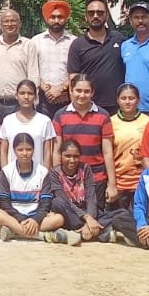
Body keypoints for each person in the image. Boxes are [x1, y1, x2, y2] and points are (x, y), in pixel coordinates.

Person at [52, 75, 118, 208]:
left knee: (94, 214)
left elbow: (107, 152)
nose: (82, 95)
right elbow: (57, 151)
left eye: (86, 91)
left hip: (96, 178)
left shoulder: (103, 116)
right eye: (78, 90)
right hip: (69, 180)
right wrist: (58, 179)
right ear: (71, 90)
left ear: (92, 93)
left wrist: (112, 184)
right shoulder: (60, 115)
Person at [51, 140, 135, 244]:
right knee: (57, 202)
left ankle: (84, 231)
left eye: (75, 156)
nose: (72, 160)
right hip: (70, 212)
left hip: (87, 211)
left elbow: (91, 199)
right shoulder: (55, 173)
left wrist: (89, 220)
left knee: (122, 213)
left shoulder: (85, 169)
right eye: (67, 156)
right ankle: (100, 232)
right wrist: (86, 218)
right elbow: (65, 201)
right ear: (61, 155)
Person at [0, 133, 70, 243]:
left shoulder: (42, 172)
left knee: (58, 219)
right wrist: (21, 219)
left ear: (33, 150)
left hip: (35, 215)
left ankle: (15, 232)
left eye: (28, 149)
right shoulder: (6, 171)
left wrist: (35, 220)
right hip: (14, 216)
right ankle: (41, 236)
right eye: (20, 150)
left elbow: (45, 202)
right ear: (14, 151)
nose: (25, 153)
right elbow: (3, 202)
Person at [67, 0, 126, 115]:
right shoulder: (77, 44)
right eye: (91, 13)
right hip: (89, 106)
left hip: (118, 105)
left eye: (100, 13)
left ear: (107, 16)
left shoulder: (118, 38)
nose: (95, 16)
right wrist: (75, 108)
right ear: (86, 17)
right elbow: (73, 78)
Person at [0, 8, 38, 122]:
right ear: (0, 25)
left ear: (19, 24)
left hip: (20, 104)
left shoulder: (28, 45)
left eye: (13, 21)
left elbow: (34, 75)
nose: (9, 24)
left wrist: (31, 101)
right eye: (6, 21)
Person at [0, 80, 56, 169]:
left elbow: (47, 152)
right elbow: (3, 151)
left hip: (38, 174)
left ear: (35, 97)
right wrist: (5, 173)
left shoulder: (44, 121)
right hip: (13, 174)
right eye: (22, 93)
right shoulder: (8, 121)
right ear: (16, 95)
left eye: (30, 93)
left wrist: (44, 174)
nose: (26, 97)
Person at [33, 0, 75, 117]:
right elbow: (32, 68)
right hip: (43, 97)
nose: (56, 20)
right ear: (46, 19)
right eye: (52, 17)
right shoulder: (35, 41)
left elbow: (77, 69)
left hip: (67, 96)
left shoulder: (74, 42)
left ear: (66, 19)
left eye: (60, 17)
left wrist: (61, 88)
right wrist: (46, 89)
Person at [110, 84, 149, 200]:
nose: (127, 102)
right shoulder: (110, 122)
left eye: (131, 98)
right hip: (118, 183)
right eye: (123, 98)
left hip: (142, 182)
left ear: (138, 100)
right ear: (117, 100)